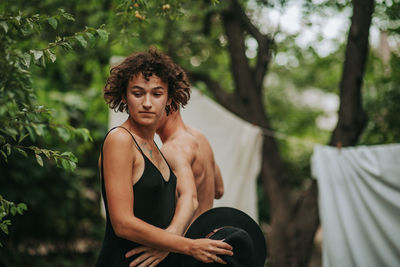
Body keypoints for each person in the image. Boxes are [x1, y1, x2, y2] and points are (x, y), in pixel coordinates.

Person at [95, 48, 233, 267]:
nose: (147, 103)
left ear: (169, 99)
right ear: (124, 95)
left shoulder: (157, 147)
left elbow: (200, 195)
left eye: (157, 94)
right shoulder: (120, 140)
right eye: (138, 93)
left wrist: (171, 243)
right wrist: (187, 245)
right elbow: (123, 223)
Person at [126, 108, 225, 266]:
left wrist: (166, 244)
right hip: (206, 242)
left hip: (185, 249)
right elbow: (219, 190)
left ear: (172, 106)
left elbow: (190, 199)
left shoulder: (172, 148)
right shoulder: (199, 137)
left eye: (157, 97)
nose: (148, 107)